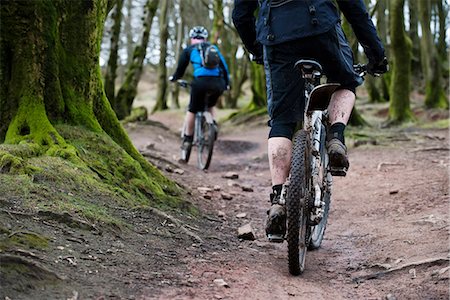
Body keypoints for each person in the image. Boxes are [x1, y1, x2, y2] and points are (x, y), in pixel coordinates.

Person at [232, 0, 388, 240]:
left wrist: (257, 48)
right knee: (346, 83)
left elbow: (241, 14)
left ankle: (278, 198)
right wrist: (376, 54)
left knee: (281, 122)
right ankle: (336, 137)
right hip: (321, 31)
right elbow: (354, 8)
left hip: (276, 39)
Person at [169, 26, 230, 151]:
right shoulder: (213, 48)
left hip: (200, 83)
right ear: (205, 38)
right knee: (210, 105)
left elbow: (180, 69)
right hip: (218, 82)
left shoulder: (189, 50)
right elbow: (224, 67)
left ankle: (187, 139)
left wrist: (175, 78)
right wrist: (227, 84)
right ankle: (212, 125)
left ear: (192, 38)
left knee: (192, 110)